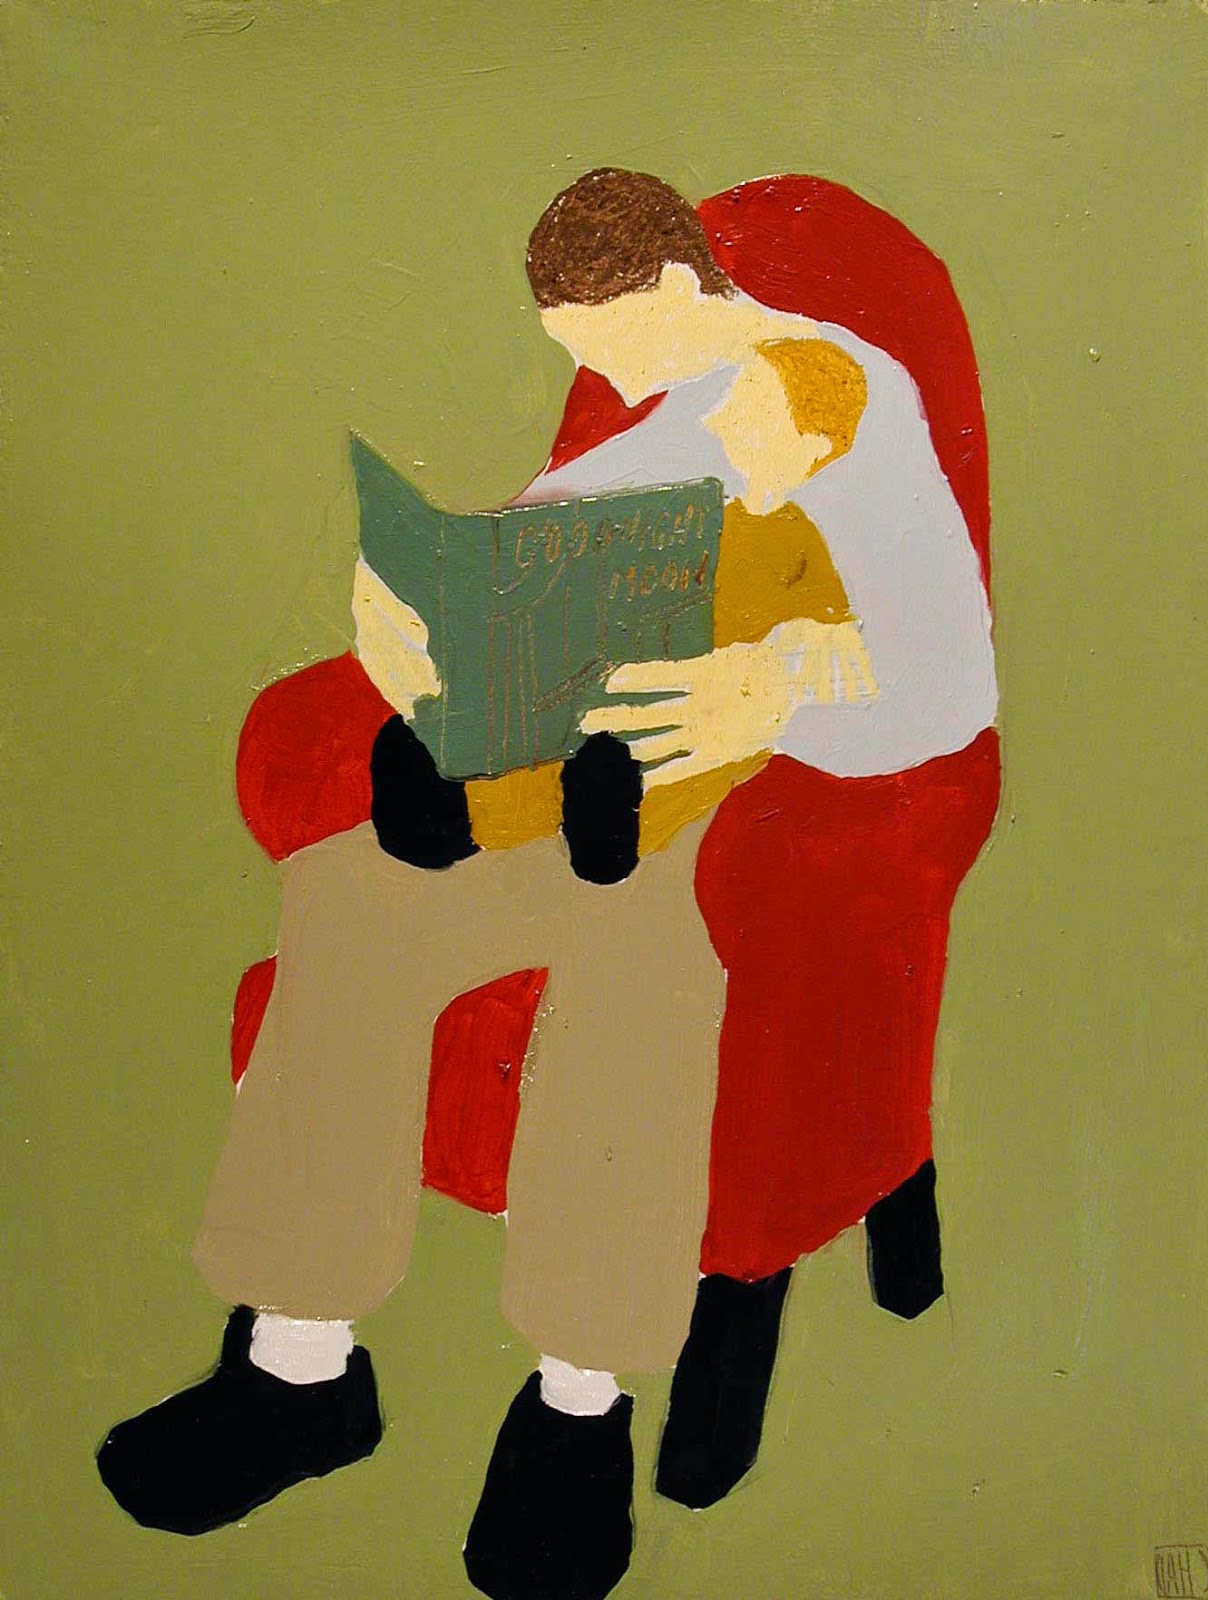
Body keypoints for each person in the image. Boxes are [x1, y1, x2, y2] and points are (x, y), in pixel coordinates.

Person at [96, 169, 998, 1600]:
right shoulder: (676, 408)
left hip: (760, 824)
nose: (607, 387)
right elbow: (550, 537)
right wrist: (418, 626)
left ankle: (579, 1411)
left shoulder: (852, 402)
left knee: (636, 945)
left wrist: (778, 697)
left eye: (613, 348)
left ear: (685, 287)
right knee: (352, 895)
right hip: (585, 782)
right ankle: (297, 1371)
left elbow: (955, 688)